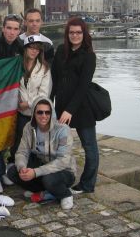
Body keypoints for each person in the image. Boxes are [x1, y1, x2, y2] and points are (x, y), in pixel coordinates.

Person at [51, 17, 98, 194]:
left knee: (89, 146)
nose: (75, 35)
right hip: (61, 105)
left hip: (82, 107)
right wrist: (50, 101)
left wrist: (70, 110)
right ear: (67, 34)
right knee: (59, 145)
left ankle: (87, 184)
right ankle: (60, 178)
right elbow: (55, 80)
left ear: (84, 34)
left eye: (78, 32)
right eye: (72, 32)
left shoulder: (89, 56)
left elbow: (83, 87)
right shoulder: (62, 50)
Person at [7, 97, 76, 210]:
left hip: (63, 171)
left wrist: (35, 172)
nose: (44, 115)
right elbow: (22, 152)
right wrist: (22, 167)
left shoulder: (63, 130)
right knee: (13, 172)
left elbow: (63, 161)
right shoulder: (28, 128)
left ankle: (65, 194)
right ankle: (44, 191)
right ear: (34, 113)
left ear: (51, 113)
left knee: (49, 179)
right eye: (40, 112)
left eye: (47, 112)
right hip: (41, 168)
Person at [0, 13, 24, 189]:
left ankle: (7, 169)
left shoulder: (20, 46)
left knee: (13, 135)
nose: (11, 32)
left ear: (19, 31)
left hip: (11, 98)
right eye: (8, 28)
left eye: (15, 29)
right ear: (3, 29)